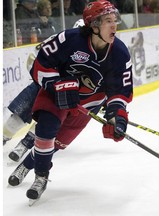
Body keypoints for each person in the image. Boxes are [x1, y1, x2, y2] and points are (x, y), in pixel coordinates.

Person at [8, 0, 133, 204]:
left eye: (115, 21)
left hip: (87, 106)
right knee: (45, 131)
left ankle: (27, 163)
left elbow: (119, 91)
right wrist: (58, 86)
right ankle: (41, 176)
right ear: (93, 25)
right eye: (108, 21)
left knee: (57, 143)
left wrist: (116, 117)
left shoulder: (119, 52)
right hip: (56, 95)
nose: (114, 26)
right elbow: (39, 65)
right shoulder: (68, 39)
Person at [3, 19, 85, 163]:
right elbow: (32, 57)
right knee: (20, 113)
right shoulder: (59, 40)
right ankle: (3, 137)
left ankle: (23, 145)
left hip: (64, 91)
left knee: (48, 119)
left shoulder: (94, 52)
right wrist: (41, 79)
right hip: (42, 84)